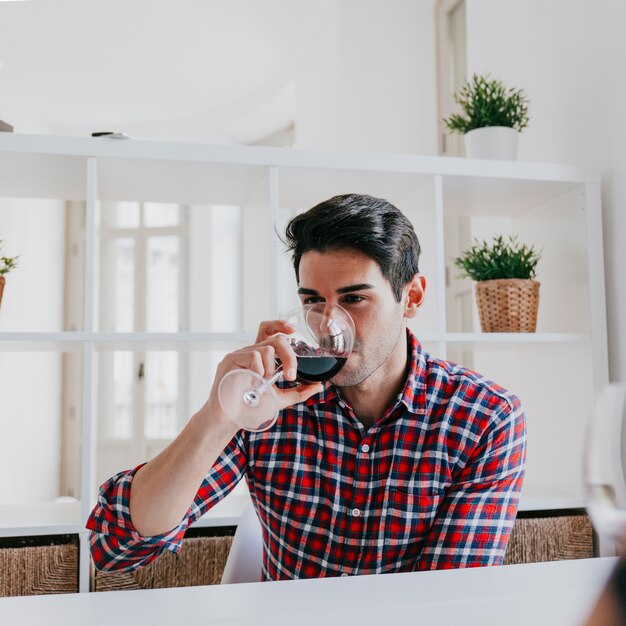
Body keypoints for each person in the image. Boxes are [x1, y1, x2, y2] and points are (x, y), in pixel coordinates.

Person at [87, 193, 526, 579]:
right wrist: (217, 418)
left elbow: (448, 603)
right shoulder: (270, 402)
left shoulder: (484, 417)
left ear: (411, 298)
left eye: (354, 299)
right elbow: (117, 548)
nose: (331, 325)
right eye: (313, 302)